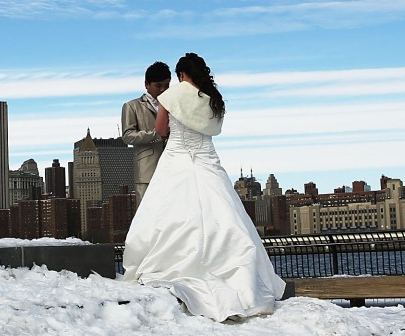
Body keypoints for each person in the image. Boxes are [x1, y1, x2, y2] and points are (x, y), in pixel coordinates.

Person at [120, 53, 287, 321]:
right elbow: (213, 132)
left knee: (167, 215)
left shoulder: (171, 97)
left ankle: (174, 267)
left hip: (176, 160)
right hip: (207, 160)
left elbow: (161, 131)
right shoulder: (213, 100)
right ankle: (235, 276)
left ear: (182, 75)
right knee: (224, 215)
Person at [120, 61, 171, 200]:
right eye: (158, 85)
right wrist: (156, 134)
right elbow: (127, 136)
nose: (163, 90)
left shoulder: (174, 105)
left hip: (172, 168)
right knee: (147, 215)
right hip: (146, 170)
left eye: (167, 85)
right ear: (146, 84)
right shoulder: (131, 106)